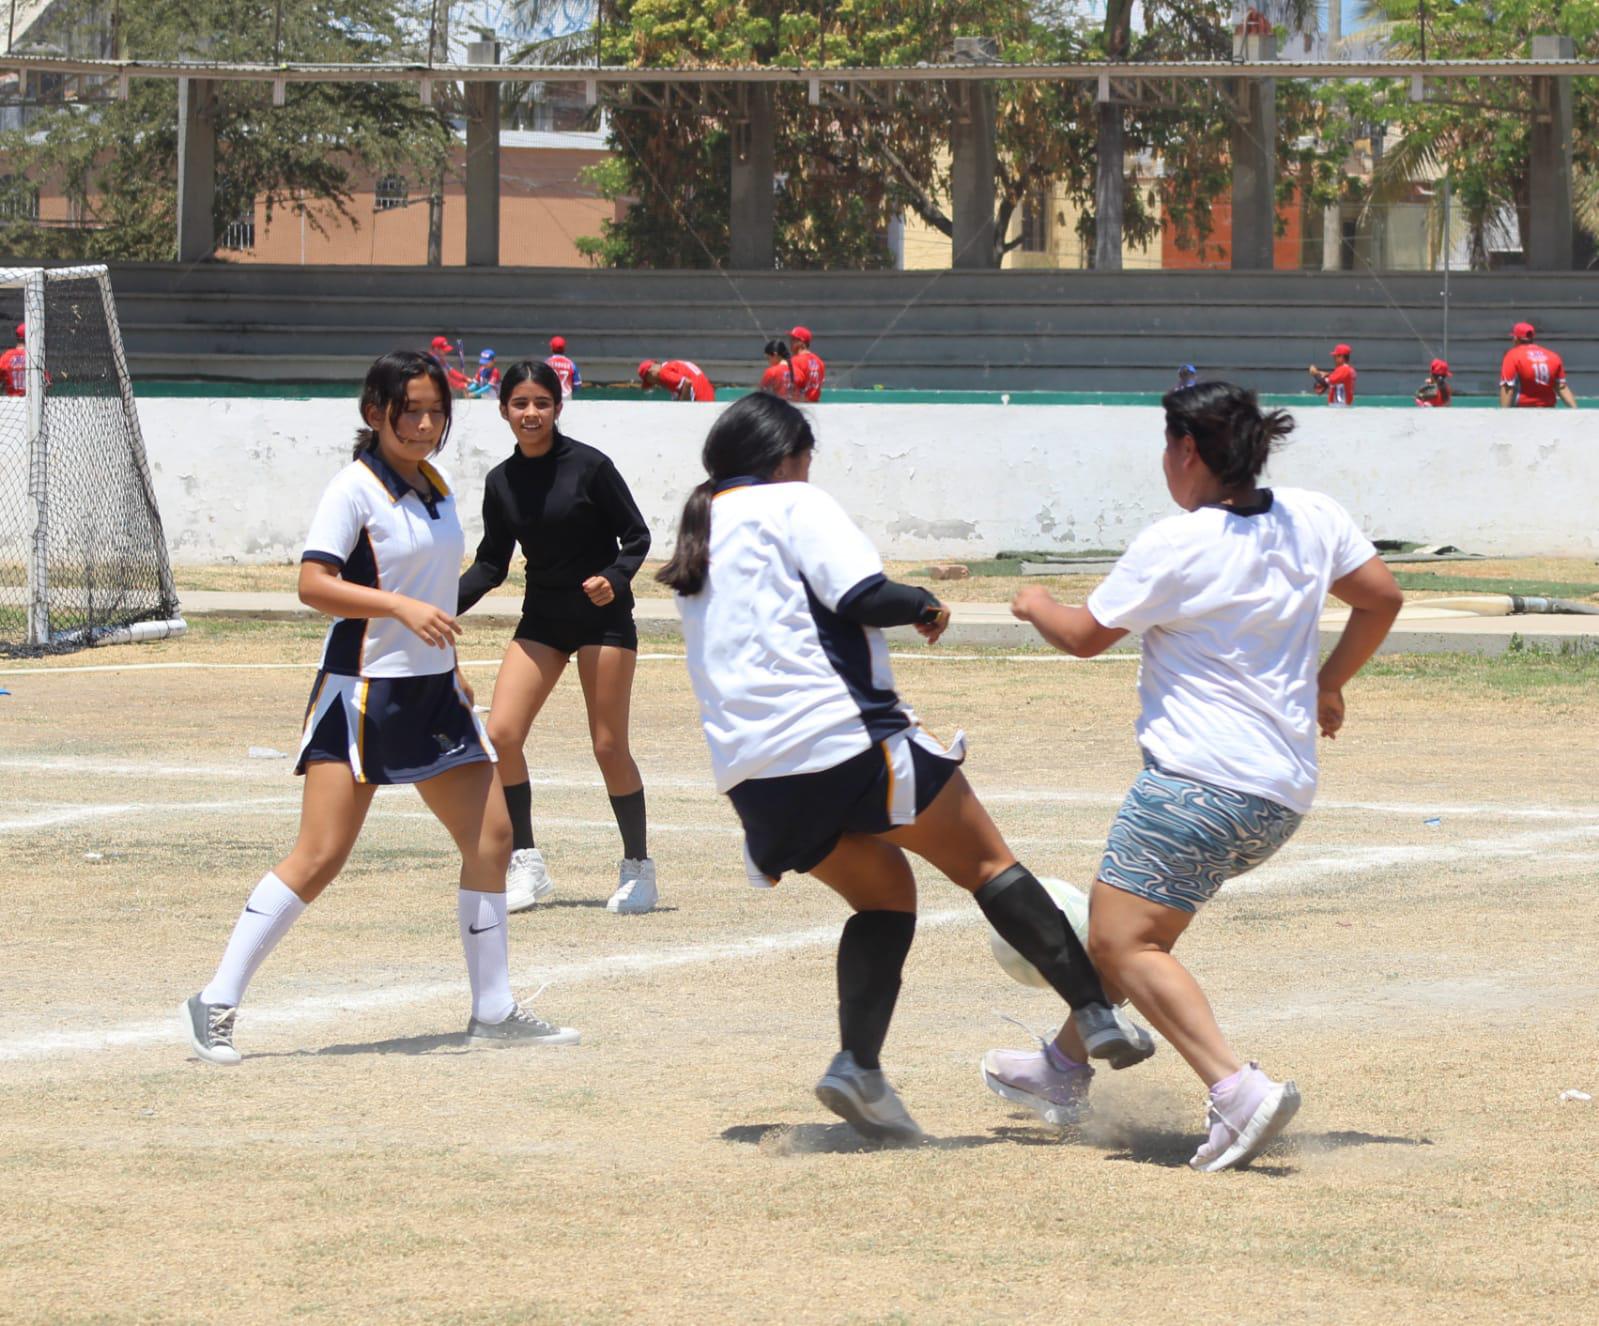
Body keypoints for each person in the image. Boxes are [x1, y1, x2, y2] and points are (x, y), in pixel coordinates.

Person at [661, 393, 1154, 1145]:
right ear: (787, 458)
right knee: (986, 862)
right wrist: (924, 602)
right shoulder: (794, 500)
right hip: (840, 738)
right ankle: (1093, 1011)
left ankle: (857, 1066)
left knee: (884, 897)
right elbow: (861, 595)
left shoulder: (702, 526)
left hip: (752, 778)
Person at [988, 381, 1401, 1170]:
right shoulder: (1312, 515)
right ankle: (1059, 1069)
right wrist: (1328, 681)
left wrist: (1033, 602)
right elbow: (1380, 598)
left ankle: (1237, 1091)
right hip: (1277, 794)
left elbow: (1081, 637)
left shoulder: (1177, 542)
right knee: (1141, 938)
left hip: (1194, 784)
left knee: (1120, 940)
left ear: (1185, 450)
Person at [181, 350, 578, 1066]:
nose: (425, 425)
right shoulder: (352, 489)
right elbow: (312, 583)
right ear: (375, 414)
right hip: (362, 691)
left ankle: (492, 1011)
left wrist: (441, 647)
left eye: (436, 412)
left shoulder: (434, 484)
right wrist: (397, 605)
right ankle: (214, 1001)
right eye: (411, 412)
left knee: (491, 843)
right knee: (321, 855)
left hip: (433, 691)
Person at [459, 360, 658, 915]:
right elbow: (491, 564)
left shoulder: (591, 467)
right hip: (543, 619)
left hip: (603, 619)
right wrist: (435, 608)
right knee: (501, 734)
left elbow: (637, 535)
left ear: (557, 407)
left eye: (541, 403)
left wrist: (615, 578)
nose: (530, 413)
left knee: (608, 745)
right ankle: (527, 862)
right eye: (519, 404)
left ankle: (638, 868)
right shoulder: (501, 481)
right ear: (503, 410)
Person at [1500, 322, 1577, 409]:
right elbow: (1562, 387)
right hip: (1549, 411)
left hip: (1523, 412)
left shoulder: (1512, 355)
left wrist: (1504, 414)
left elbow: (1508, 388)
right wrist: (1575, 410)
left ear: (1515, 338)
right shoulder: (1553, 356)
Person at [639, 358, 715, 402]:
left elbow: (687, 383)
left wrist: (680, 408)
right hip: (709, 403)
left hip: (700, 406)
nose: (656, 384)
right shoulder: (677, 364)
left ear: (650, 373)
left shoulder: (663, 372)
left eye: (650, 381)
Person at [789, 326, 826, 403]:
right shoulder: (819, 362)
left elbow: (793, 385)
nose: (790, 342)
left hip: (800, 407)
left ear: (802, 342)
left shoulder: (795, 361)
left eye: (793, 340)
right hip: (816, 407)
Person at [0, 322, 25, 397]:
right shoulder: (35, 357)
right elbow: (46, 383)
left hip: (11, 403)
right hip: (32, 403)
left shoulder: (6, 356)